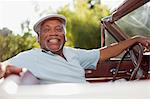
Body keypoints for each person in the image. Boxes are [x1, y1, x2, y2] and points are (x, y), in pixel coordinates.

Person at [0, 14, 150, 84]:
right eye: (46, 30)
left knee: (124, 84)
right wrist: (5, 68)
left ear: (65, 36)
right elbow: (4, 66)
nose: (53, 33)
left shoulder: (73, 53)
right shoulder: (31, 56)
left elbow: (103, 52)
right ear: (38, 39)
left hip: (90, 93)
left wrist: (134, 40)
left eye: (58, 29)